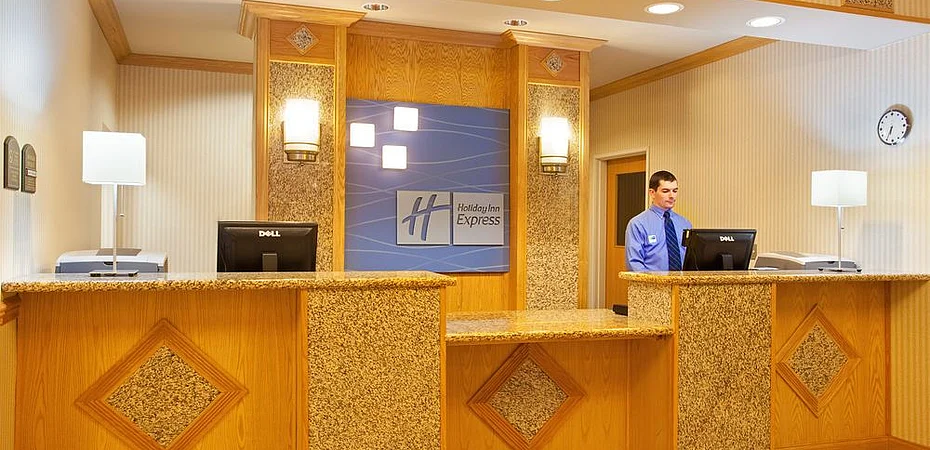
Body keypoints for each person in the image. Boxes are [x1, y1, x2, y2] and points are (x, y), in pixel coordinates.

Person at [625, 170, 692, 272]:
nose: (672, 196)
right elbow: (634, 264)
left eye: (675, 191)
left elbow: (691, 259)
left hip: (682, 281)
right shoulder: (638, 224)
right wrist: (652, 281)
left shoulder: (685, 224)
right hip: (651, 281)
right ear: (652, 193)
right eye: (665, 191)